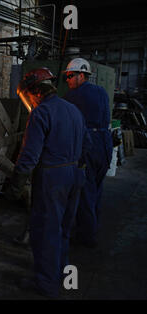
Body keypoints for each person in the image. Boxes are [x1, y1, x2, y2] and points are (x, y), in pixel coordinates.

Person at [5, 67, 90, 298]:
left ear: (34, 91)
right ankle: (60, 271)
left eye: (28, 95)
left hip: (53, 179)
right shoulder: (73, 110)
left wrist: (15, 186)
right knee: (63, 227)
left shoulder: (41, 113)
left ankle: (46, 284)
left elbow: (28, 158)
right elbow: (87, 144)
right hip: (75, 175)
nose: (30, 100)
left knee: (45, 231)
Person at [62, 58, 113, 248]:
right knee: (97, 190)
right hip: (105, 145)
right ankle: (93, 226)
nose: (67, 80)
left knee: (85, 192)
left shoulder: (73, 96)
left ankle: (86, 237)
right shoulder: (101, 91)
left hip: (91, 146)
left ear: (81, 75)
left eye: (69, 76)